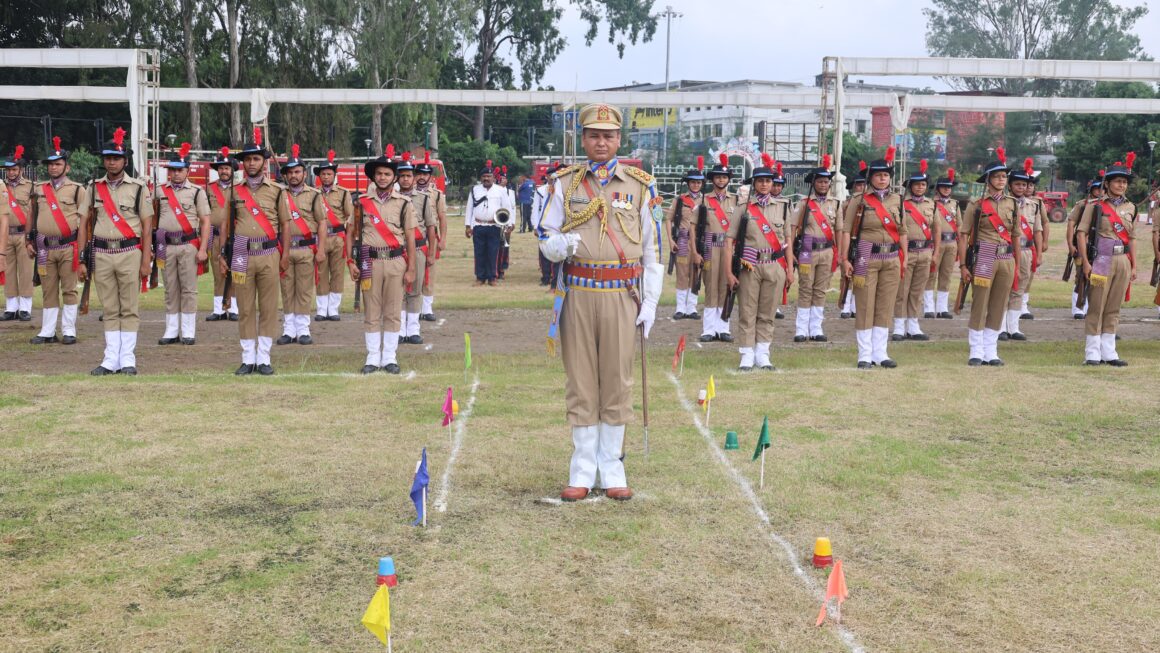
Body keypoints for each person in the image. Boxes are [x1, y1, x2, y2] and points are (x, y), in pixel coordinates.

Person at [538, 103, 662, 502]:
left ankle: (612, 469)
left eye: (608, 135)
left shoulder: (641, 185)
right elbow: (545, 235)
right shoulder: (564, 184)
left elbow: (652, 250)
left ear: (619, 140)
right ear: (583, 139)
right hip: (577, 293)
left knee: (616, 380)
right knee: (581, 380)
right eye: (593, 135)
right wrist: (559, 246)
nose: (601, 141)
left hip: (620, 295)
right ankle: (581, 469)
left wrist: (652, 302)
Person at [78, 128, 154, 376]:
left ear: (125, 161)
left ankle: (128, 359)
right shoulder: (92, 187)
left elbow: (147, 226)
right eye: (108, 158)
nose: (111, 162)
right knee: (109, 308)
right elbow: (84, 224)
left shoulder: (139, 188)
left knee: (129, 307)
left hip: (129, 252)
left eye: (116, 158)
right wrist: (81, 259)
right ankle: (111, 359)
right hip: (100, 254)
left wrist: (146, 261)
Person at [350, 145, 417, 374]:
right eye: (379, 173)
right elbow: (352, 233)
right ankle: (372, 357)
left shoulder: (404, 203)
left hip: (396, 262)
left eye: (387, 174)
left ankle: (389, 357)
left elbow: (410, 237)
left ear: (394, 177)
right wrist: (350, 261)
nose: (382, 177)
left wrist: (411, 269)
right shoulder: (360, 202)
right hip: (370, 262)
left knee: (392, 311)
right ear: (373, 176)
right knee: (372, 311)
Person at [224, 128, 283, 375]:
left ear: (263, 161)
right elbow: (228, 225)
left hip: (269, 253)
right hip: (241, 253)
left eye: (256, 158)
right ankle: (248, 358)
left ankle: (264, 358)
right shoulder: (234, 191)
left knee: (268, 307)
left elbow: (286, 225)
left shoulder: (277, 191)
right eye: (247, 159)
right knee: (245, 307)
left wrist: (286, 255)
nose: (251, 163)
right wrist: (221, 256)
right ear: (242, 163)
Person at [725, 153, 792, 370]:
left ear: (773, 183)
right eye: (760, 181)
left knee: (768, 311)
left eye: (768, 181)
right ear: (754, 183)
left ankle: (763, 353)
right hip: (749, 266)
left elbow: (788, 241)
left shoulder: (782, 206)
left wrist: (790, 270)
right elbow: (729, 242)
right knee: (747, 310)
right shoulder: (743, 208)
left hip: (775, 266)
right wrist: (728, 272)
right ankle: (746, 354)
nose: (764, 184)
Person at [840, 148, 904, 369]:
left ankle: (881, 353)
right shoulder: (859, 200)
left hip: (892, 257)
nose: (883, 178)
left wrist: (902, 259)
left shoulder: (898, 200)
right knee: (865, 305)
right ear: (870, 178)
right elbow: (846, 230)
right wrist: (845, 259)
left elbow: (903, 232)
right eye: (878, 175)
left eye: (886, 175)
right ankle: (865, 354)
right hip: (866, 255)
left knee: (885, 306)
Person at [958, 148, 1020, 367]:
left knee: (998, 304)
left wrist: (1017, 265)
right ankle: (976, 350)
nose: (1002, 180)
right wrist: (964, 264)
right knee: (980, 303)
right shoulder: (976, 205)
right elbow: (964, 235)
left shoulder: (1012, 203)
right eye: (997, 176)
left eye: (1004, 176)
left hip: (1006, 258)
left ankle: (991, 350)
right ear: (988, 180)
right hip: (984, 255)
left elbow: (1015, 236)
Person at [1077, 154, 1137, 366]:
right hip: (1101, 259)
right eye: (1118, 181)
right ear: (1108, 184)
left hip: (1123, 259)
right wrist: (1085, 261)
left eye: (1125, 182)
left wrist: (1134, 264)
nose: (1122, 185)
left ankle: (1109, 352)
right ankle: (1092, 352)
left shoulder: (1131, 207)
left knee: (1114, 307)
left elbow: (1132, 238)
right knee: (1097, 305)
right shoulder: (1095, 205)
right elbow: (1081, 233)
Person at [28, 137, 88, 345]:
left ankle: (69, 330)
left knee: (69, 289)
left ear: (67, 167)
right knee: (48, 289)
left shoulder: (78, 190)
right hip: (44, 248)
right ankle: (48, 331)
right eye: (51, 164)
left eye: (58, 164)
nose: (53, 167)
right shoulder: (39, 189)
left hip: (68, 247)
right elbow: (31, 216)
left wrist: (82, 252)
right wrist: (29, 240)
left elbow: (83, 222)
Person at [154, 142, 211, 345]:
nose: (175, 174)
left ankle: (188, 331)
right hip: (166, 246)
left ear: (187, 171)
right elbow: (154, 218)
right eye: (172, 170)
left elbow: (205, 222)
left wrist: (203, 248)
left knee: (188, 289)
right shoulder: (160, 192)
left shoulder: (197, 192)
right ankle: (171, 330)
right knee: (170, 288)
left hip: (188, 245)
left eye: (179, 170)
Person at [276, 144, 326, 346]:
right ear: (286, 175)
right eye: (290, 172)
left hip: (306, 248)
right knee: (287, 289)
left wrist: (321, 249)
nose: (294, 175)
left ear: (304, 173)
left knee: (304, 289)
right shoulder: (279, 194)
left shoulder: (314, 195)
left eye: (297, 171)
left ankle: (303, 329)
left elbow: (322, 222)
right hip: (285, 249)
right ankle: (289, 330)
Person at [789, 154, 839, 343]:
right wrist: (792, 252)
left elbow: (840, 230)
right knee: (805, 289)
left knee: (820, 290)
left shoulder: (836, 203)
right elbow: (793, 228)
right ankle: (801, 329)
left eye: (826, 182)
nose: (823, 185)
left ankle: (816, 328)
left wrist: (839, 253)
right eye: (820, 182)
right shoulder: (803, 204)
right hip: (807, 250)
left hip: (826, 251)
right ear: (813, 183)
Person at [892, 159, 938, 342]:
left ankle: (913, 325)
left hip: (925, 252)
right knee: (902, 290)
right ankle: (898, 326)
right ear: (910, 186)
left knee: (917, 291)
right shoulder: (902, 204)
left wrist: (936, 254)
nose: (920, 187)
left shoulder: (931, 205)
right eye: (917, 184)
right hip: (907, 252)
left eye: (923, 184)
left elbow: (937, 230)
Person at [396, 151, 438, 344]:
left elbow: (430, 227)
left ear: (413, 178)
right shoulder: (392, 198)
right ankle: (399, 330)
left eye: (408, 176)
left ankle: (413, 329)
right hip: (397, 251)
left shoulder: (424, 198)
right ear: (397, 178)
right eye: (402, 176)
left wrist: (431, 252)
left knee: (415, 289)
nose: (405, 179)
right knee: (398, 290)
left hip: (419, 250)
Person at [698, 154, 739, 342]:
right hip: (710, 247)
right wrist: (694, 251)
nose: (721, 180)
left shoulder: (737, 201)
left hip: (728, 248)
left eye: (724, 177)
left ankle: (723, 328)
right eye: (717, 177)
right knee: (711, 287)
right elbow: (693, 226)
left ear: (728, 179)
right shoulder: (704, 200)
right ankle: (708, 329)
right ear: (712, 179)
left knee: (726, 286)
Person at [1001, 158, 1042, 342]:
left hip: (1026, 251)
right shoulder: (1003, 204)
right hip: (1006, 251)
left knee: (1019, 289)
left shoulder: (1033, 206)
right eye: (1017, 184)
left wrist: (1038, 253)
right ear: (1010, 186)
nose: (1021, 187)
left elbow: (1037, 231)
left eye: (1024, 184)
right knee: (1003, 289)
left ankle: (1013, 327)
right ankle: (1000, 327)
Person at [314, 149, 353, 322]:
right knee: (321, 273)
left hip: (338, 238)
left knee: (337, 273)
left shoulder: (344, 193)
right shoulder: (313, 193)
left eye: (329, 174)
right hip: (320, 238)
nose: (326, 177)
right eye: (323, 174)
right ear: (319, 176)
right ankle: (322, 310)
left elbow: (349, 216)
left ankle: (333, 309)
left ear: (334, 175)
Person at [667, 156, 704, 320]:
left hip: (699, 242)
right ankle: (680, 308)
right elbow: (668, 220)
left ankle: (692, 308)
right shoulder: (679, 200)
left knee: (696, 274)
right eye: (693, 182)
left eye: (698, 182)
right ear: (688, 183)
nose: (696, 185)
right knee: (682, 274)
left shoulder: (706, 201)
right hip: (682, 240)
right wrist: (670, 240)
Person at [205, 147, 239, 321]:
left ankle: (233, 308)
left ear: (233, 170)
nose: (224, 171)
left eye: (227, 168)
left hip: (235, 237)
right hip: (216, 236)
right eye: (221, 168)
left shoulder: (240, 188)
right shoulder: (209, 189)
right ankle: (218, 309)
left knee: (235, 273)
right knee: (218, 273)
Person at [465, 161, 512, 286]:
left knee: (493, 252)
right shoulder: (475, 190)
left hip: (494, 226)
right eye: (484, 176)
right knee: (479, 252)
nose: (486, 178)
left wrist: (509, 224)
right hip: (478, 225)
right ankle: (480, 277)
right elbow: (469, 208)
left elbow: (507, 207)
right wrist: (467, 226)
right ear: (481, 178)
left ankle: (492, 277)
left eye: (489, 176)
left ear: (493, 178)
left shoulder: (500, 190)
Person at [3, 145, 34, 322]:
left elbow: (34, 211)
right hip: (6, 234)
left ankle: (25, 308)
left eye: (14, 169)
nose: (11, 172)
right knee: (8, 270)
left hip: (24, 234)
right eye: (8, 170)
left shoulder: (30, 186)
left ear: (20, 169)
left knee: (25, 271)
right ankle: (11, 307)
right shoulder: (1, 187)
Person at [414, 152, 447, 321]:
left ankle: (427, 308)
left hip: (430, 238)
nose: (421, 177)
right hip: (414, 238)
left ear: (430, 177)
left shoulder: (437, 194)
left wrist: (444, 239)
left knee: (429, 273)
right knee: (414, 274)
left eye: (425, 174)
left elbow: (442, 218)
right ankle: (414, 308)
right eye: (418, 174)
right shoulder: (408, 193)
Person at [1066, 176, 1104, 319]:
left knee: (1099, 278)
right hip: (1083, 245)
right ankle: (1078, 308)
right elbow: (1071, 224)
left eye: (1103, 189)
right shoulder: (1082, 205)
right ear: (1092, 190)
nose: (1100, 192)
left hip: (1102, 247)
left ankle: (1092, 307)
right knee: (1081, 276)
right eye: (1097, 189)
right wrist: (1071, 244)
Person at [925, 169, 960, 319]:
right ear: (938, 188)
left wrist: (959, 245)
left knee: (946, 275)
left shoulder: (955, 204)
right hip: (935, 243)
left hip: (952, 243)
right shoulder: (931, 204)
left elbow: (959, 225)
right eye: (944, 187)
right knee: (931, 275)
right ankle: (928, 308)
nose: (947, 189)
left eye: (949, 187)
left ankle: (942, 308)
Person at [839, 160, 868, 320]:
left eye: (863, 184)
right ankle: (845, 305)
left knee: (861, 273)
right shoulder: (846, 204)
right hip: (848, 239)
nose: (861, 187)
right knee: (846, 274)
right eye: (858, 185)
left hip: (863, 241)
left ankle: (856, 305)